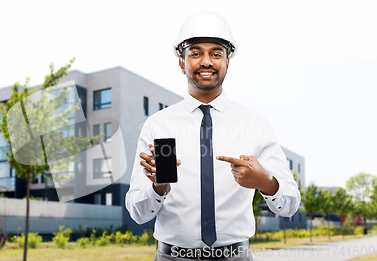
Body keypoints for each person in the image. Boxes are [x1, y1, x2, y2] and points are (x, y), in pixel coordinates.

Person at [125, 12, 301, 261]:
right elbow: (137, 213)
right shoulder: (157, 125)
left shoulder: (255, 124)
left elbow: (291, 204)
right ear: (181, 62)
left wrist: (265, 182)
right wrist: (158, 186)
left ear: (228, 62)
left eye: (216, 53)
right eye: (195, 53)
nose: (206, 61)